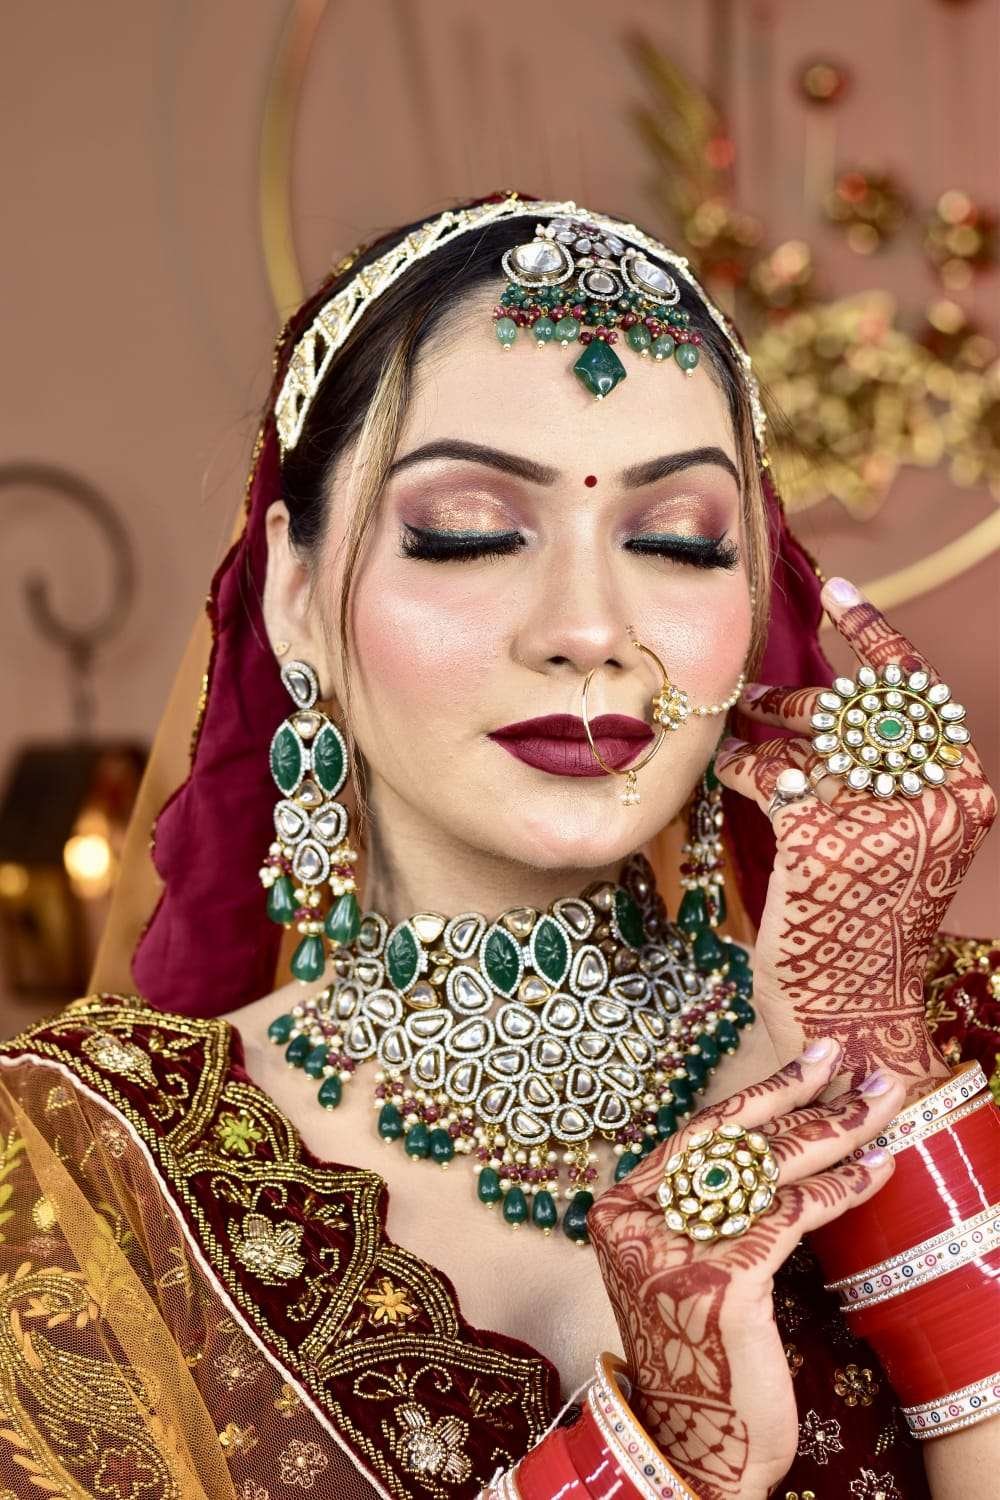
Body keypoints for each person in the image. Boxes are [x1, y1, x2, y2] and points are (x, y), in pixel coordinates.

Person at [0, 192, 997, 1500]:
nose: (587, 628)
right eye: (467, 532)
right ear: (293, 593)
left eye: (677, 541)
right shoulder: (85, 1170)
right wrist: (668, 1455)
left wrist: (886, 1090)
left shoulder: (962, 1049)